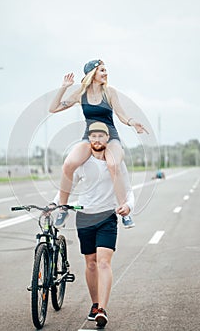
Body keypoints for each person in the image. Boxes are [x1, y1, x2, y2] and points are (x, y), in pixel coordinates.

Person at [51, 122, 135, 328]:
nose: (97, 140)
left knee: (104, 262)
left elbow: (128, 189)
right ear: (89, 138)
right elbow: (67, 187)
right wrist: (56, 204)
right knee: (90, 263)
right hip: (85, 217)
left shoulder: (115, 162)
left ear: (108, 139)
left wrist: (128, 206)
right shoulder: (82, 162)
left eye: (101, 136)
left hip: (107, 217)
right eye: (93, 136)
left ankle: (102, 310)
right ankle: (95, 303)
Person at [49, 59, 147, 229]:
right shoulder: (81, 94)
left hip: (111, 137)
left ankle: (125, 211)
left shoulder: (109, 92)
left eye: (105, 70)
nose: (105, 73)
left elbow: (121, 115)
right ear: (92, 74)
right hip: (89, 137)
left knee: (113, 164)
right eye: (102, 70)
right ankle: (63, 209)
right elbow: (53, 108)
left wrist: (132, 122)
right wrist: (63, 87)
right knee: (69, 164)